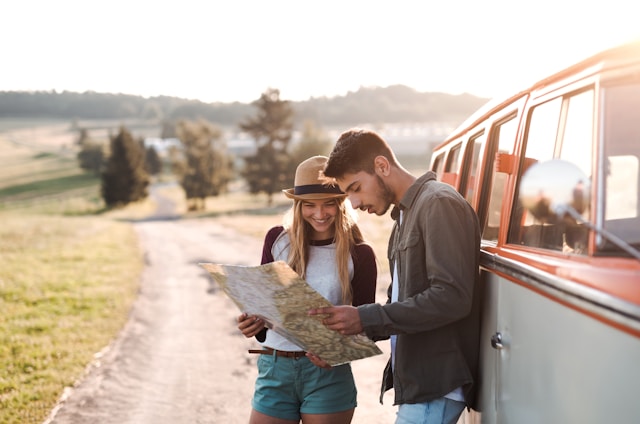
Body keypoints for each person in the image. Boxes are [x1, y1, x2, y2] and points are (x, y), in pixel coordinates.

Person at [308, 129, 481, 424]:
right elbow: (401, 307)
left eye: (356, 188)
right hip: (419, 383)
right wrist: (341, 341)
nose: (355, 204)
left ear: (382, 166)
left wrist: (365, 317)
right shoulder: (404, 216)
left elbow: (452, 298)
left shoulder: (437, 203)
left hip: (434, 382)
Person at [237, 155, 378, 424]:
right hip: (275, 368)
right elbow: (264, 308)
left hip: (328, 375)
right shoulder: (277, 240)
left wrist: (337, 355)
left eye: (329, 204)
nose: (320, 213)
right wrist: (252, 323)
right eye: (309, 205)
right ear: (298, 205)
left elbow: (366, 325)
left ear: (341, 203)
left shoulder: (359, 253)